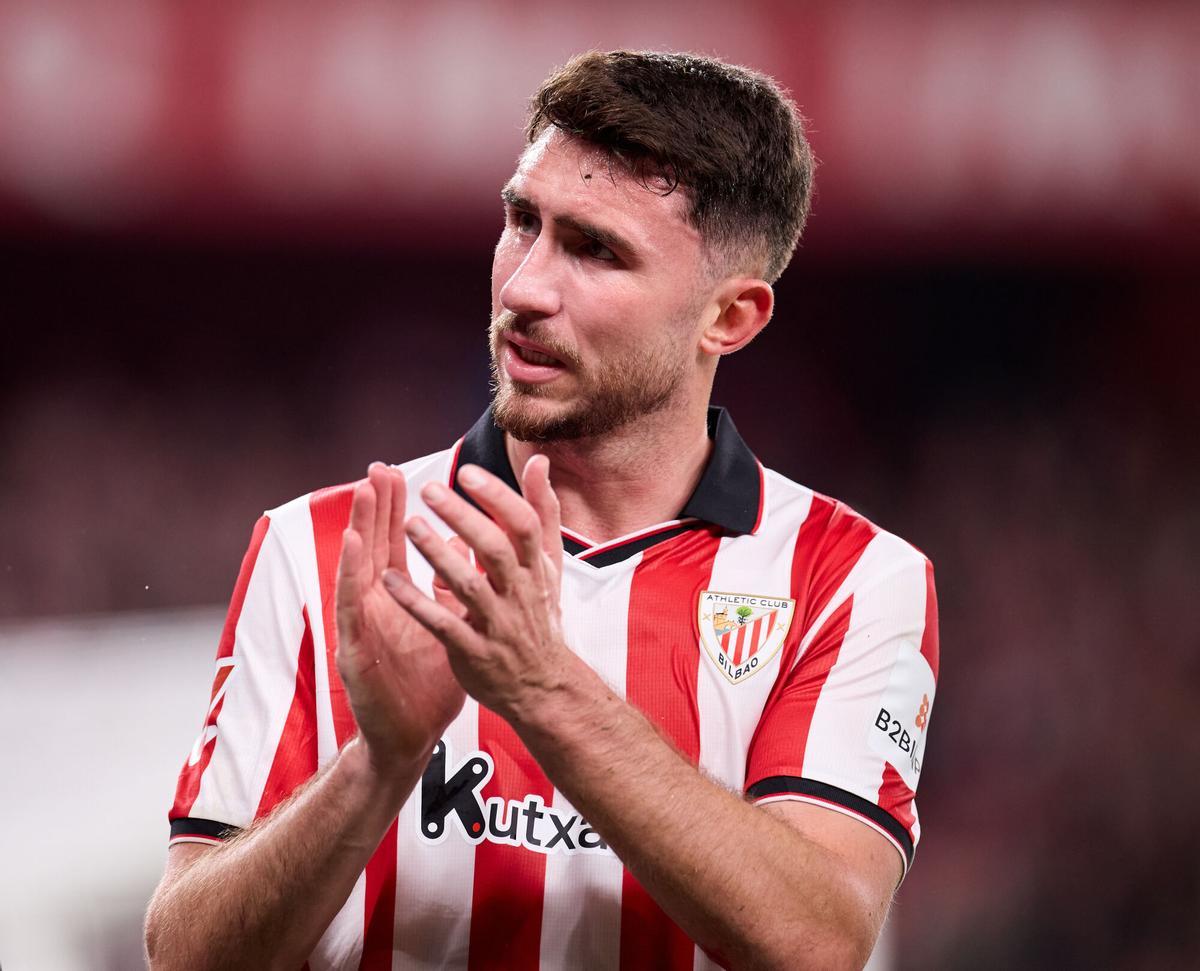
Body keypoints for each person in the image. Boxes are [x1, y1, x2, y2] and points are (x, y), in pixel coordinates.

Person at [145, 50, 939, 971]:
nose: (524, 289)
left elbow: (819, 940)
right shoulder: (322, 548)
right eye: (523, 222)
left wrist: (541, 684)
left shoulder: (849, 580)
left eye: (596, 249)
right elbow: (186, 958)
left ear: (731, 318)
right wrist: (376, 766)